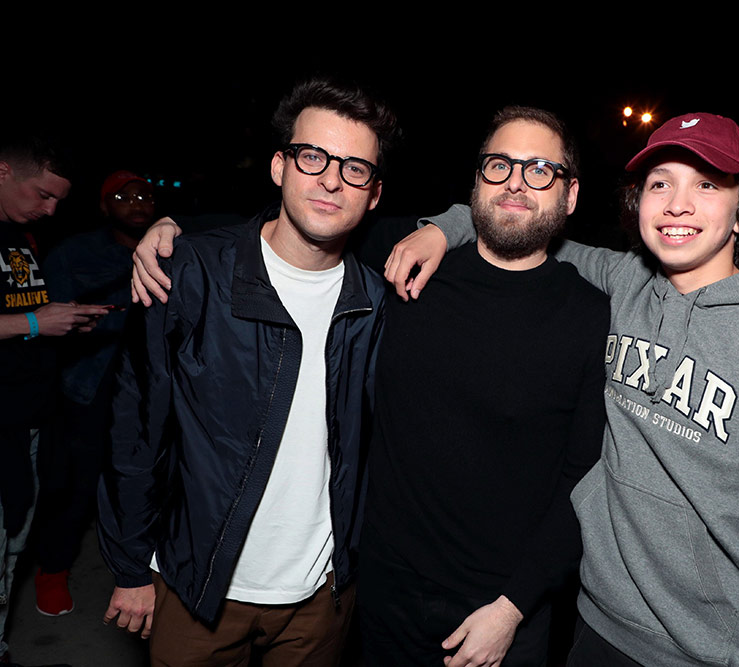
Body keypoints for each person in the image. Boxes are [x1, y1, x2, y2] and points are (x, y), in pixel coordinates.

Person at [130, 106, 610, 667]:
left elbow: (583, 482)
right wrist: (170, 234)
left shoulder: (593, 317)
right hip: (379, 597)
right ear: (477, 179)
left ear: (570, 195)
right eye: (499, 165)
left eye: (540, 170)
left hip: (501, 612)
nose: (516, 183)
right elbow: (300, 225)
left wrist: (513, 608)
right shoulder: (401, 267)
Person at [389, 113, 739, 666]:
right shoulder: (627, 283)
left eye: (706, 185)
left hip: (712, 651)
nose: (678, 204)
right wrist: (444, 227)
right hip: (595, 623)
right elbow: (522, 227)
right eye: (661, 183)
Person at [97, 78, 395, 666]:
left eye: (355, 168)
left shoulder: (381, 304)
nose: (332, 179)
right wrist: (131, 566)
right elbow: (136, 429)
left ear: (375, 194)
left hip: (321, 597)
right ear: (280, 166)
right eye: (313, 157)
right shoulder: (190, 274)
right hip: (196, 587)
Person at [0, 132, 107, 665]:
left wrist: (59, 320)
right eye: (43, 194)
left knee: (13, 546)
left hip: (34, 416)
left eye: (60, 200)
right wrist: (38, 321)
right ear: (3, 172)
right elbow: (24, 320)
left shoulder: (23, 235)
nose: (50, 208)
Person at [33, 171, 156, 618]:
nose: (137, 203)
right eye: (124, 196)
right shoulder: (76, 252)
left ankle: (146, 574)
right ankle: (52, 571)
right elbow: (49, 319)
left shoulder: (175, 251)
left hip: (151, 385)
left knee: (144, 481)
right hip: (89, 382)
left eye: (145, 194)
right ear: (105, 206)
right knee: (73, 484)